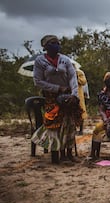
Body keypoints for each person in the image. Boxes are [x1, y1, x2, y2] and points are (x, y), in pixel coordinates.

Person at [31, 34, 82, 164]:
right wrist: (57, 88)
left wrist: (74, 95)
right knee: (55, 124)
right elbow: (38, 81)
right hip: (51, 97)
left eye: (57, 42)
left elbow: (72, 78)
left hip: (68, 96)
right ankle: (59, 153)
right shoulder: (40, 61)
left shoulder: (65, 60)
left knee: (69, 124)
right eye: (53, 43)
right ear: (46, 46)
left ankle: (69, 153)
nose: (57, 45)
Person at [74, 65, 88, 135]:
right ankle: (73, 129)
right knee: (72, 112)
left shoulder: (79, 72)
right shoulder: (67, 72)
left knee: (81, 111)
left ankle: (81, 130)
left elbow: (84, 82)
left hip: (79, 94)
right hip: (71, 94)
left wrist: (77, 77)